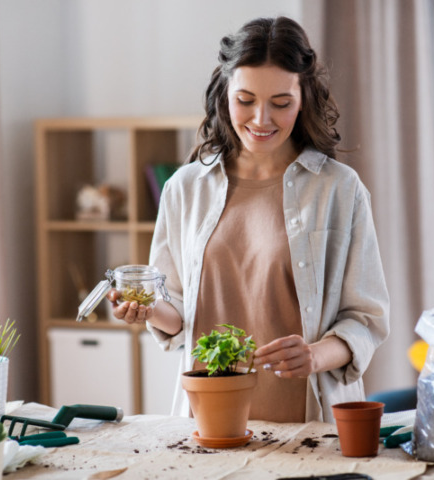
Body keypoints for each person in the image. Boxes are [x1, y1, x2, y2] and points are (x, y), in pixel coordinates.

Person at [108, 16, 389, 423]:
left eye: (281, 103)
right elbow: (178, 311)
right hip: (207, 421)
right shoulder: (185, 189)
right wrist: (148, 310)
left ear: (303, 98)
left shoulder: (339, 190)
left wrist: (313, 356)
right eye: (245, 100)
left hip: (306, 421)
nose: (261, 120)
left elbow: (366, 320)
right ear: (224, 95)